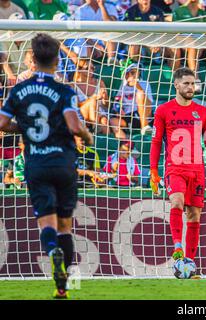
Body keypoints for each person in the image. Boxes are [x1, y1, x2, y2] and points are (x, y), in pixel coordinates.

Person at [0, 33, 93, 299]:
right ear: (57, 59)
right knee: (66, 225)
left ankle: (53, 253)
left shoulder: (19, 90)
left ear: (33, 58)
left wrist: (26, 129)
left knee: (47, 224)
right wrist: (87, 136)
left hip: (36, 164)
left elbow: (2, 124)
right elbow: (75, 126)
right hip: (64, 163)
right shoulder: (64, 90)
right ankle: (64, 286)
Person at [149, 67, 206, 271]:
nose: (191, 87)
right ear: (176, 84)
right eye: (186, 83)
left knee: (194, 215)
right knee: (177, 200)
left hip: (198, 170)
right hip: (175, 168)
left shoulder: (202, 112)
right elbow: (156, 142)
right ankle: (177, 247)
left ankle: (189, 265)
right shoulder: (163, 110)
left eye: (193, 84)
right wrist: (153, 171)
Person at [110, 63, 153, 139]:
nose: (131, 76)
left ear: (138, 72)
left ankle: (145, 128)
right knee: (113, 121)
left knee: (140, 94)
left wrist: (138, 86)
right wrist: (119, 110)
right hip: (129, 116)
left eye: (133, 73)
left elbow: (149, 105)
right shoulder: (122, 86)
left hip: (144, 115)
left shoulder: (145, 84)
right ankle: (127, 142)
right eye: (127, 73)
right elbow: (117, 101)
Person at [74, 0, 119, 65]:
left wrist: (102, 6)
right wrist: (95, 46)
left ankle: (111, 61)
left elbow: (111, 26)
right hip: (89, 42)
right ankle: (87, 67)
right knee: (85, 45)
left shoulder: (110, 7)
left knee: (111, 34)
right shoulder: (80, 10)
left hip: (106, 42)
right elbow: (82, 33)